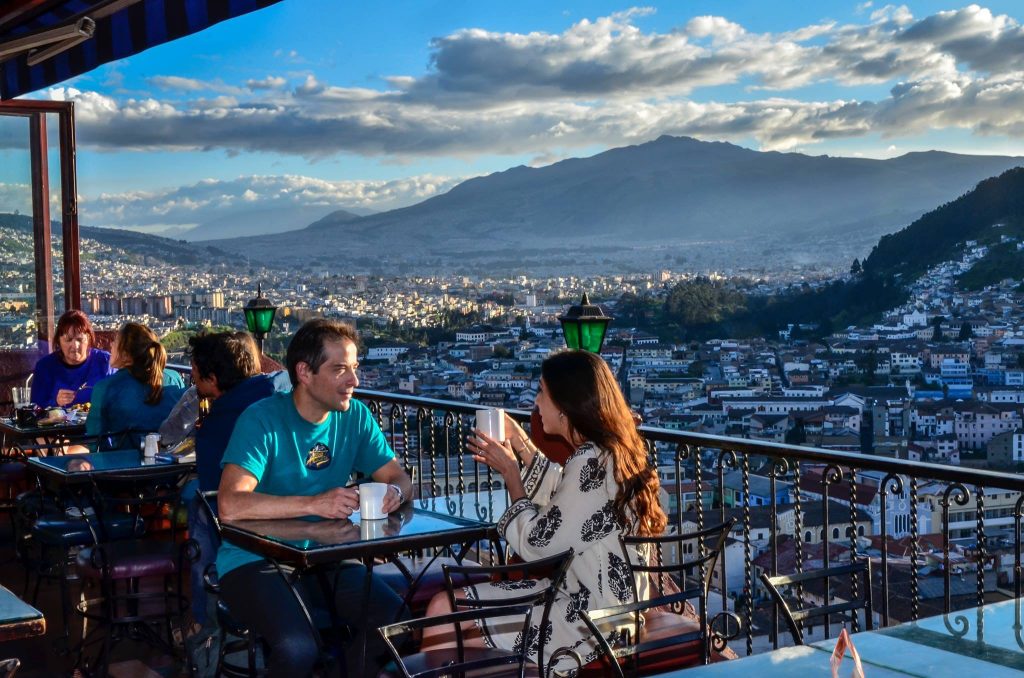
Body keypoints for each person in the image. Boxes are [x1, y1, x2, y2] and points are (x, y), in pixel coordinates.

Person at [423, 350, 668, 671]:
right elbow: (568, 499)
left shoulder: (589, 461)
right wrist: (520, 442)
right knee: (457, 620)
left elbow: (536, 544)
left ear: (565, 408)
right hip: (610, 612)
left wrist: (512, 474)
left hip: (590, 622)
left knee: (447, 609)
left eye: (541, 391)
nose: (536, 403)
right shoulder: (609, 453)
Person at [216, 319, 413, 677]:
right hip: (254, 558)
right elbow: (229, 505)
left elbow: (398, 476)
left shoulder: (355, 416)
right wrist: (314, 503)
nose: (354, 380)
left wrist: (394, 492)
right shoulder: (262, 420)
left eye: (354, 368)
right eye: (340, 369)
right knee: (298, 647)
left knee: (395, 624)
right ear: (304, 372)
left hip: (327, 557)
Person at [174, 331, 290, 632]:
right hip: (308, 522)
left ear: (212, 380)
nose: (192, 381)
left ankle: (203, 624)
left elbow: (221, 503)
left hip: (259, 538)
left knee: (200, 510)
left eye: (195, 375)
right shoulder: (284, 388)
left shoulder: (219, 425)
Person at [84, 322, 185, 450]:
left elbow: (95, 440)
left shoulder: (106, 388)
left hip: (126, 466)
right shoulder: (174, 379)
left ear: (125, 354)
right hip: (171, 465)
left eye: (115, 342)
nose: (111, 345)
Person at [30, 309, 113, 408]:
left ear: (89, 339)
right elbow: (35, 408)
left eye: (80, 339)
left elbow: (123, 395)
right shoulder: (45, 367)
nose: (75, 345)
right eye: (68, 340)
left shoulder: (106, 362)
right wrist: (55, 403)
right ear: (58, 341)